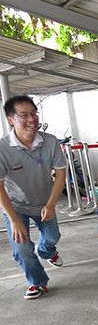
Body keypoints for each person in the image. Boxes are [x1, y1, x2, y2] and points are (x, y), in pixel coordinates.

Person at [0, 95, 66, 299]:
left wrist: (52, 203)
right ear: (11, 119)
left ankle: (47, 252)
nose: (32, 119)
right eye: (24, 115)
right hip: (16, 206)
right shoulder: (2, 148)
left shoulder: (50, 141)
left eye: (34, 113)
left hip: (45, 202)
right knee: (22, 248)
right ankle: (37, 282)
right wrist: (14, 220)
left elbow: (60, 173)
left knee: (53, 237)